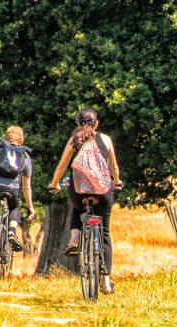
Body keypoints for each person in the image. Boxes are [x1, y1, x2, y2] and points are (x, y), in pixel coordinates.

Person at [48, 107, 122, 295]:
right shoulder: (105, 139)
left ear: (77, 123)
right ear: (96, 123)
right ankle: (105, 282)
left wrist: (54, 184)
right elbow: (113, 166)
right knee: (104, 234)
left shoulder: (74, 140)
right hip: (103, 191)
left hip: (79, 191)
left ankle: (74, 240)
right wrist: (117, 181)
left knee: (77, 207)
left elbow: (62, 166)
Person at [0, 126, 35, 277]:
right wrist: (30, 208)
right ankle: (12, 230)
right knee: (15, 205)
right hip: (11, 189)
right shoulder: (25, 156)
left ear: (6, 137)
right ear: (21, 140)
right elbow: (26, 186)